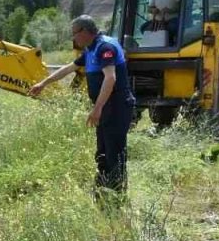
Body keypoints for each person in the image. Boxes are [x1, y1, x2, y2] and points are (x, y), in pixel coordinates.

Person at [28, 15, 137, 194]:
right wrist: (43, 83)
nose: (73, 38)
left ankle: (117, 195)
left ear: (85, 31)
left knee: (115, 153)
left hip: (116, 106)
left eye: (75, 33)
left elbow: (110, 78)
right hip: (106, 106)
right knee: (103, 151)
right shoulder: (90, 50)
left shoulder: (105, 47)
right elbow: (68, 68)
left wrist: (97, 108)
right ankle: (103, 190)